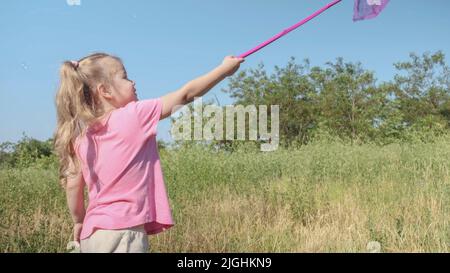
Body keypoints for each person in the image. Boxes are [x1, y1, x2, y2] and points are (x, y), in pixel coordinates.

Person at [53, 52, 244, 252]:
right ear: (105, 90)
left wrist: (79, 221)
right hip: (124, 232)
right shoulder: (135, 115)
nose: (133, 82)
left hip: (91, 236)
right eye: (125, 77)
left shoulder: (82, 138)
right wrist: (224, 70)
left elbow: (73, 185)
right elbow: (185, 95)